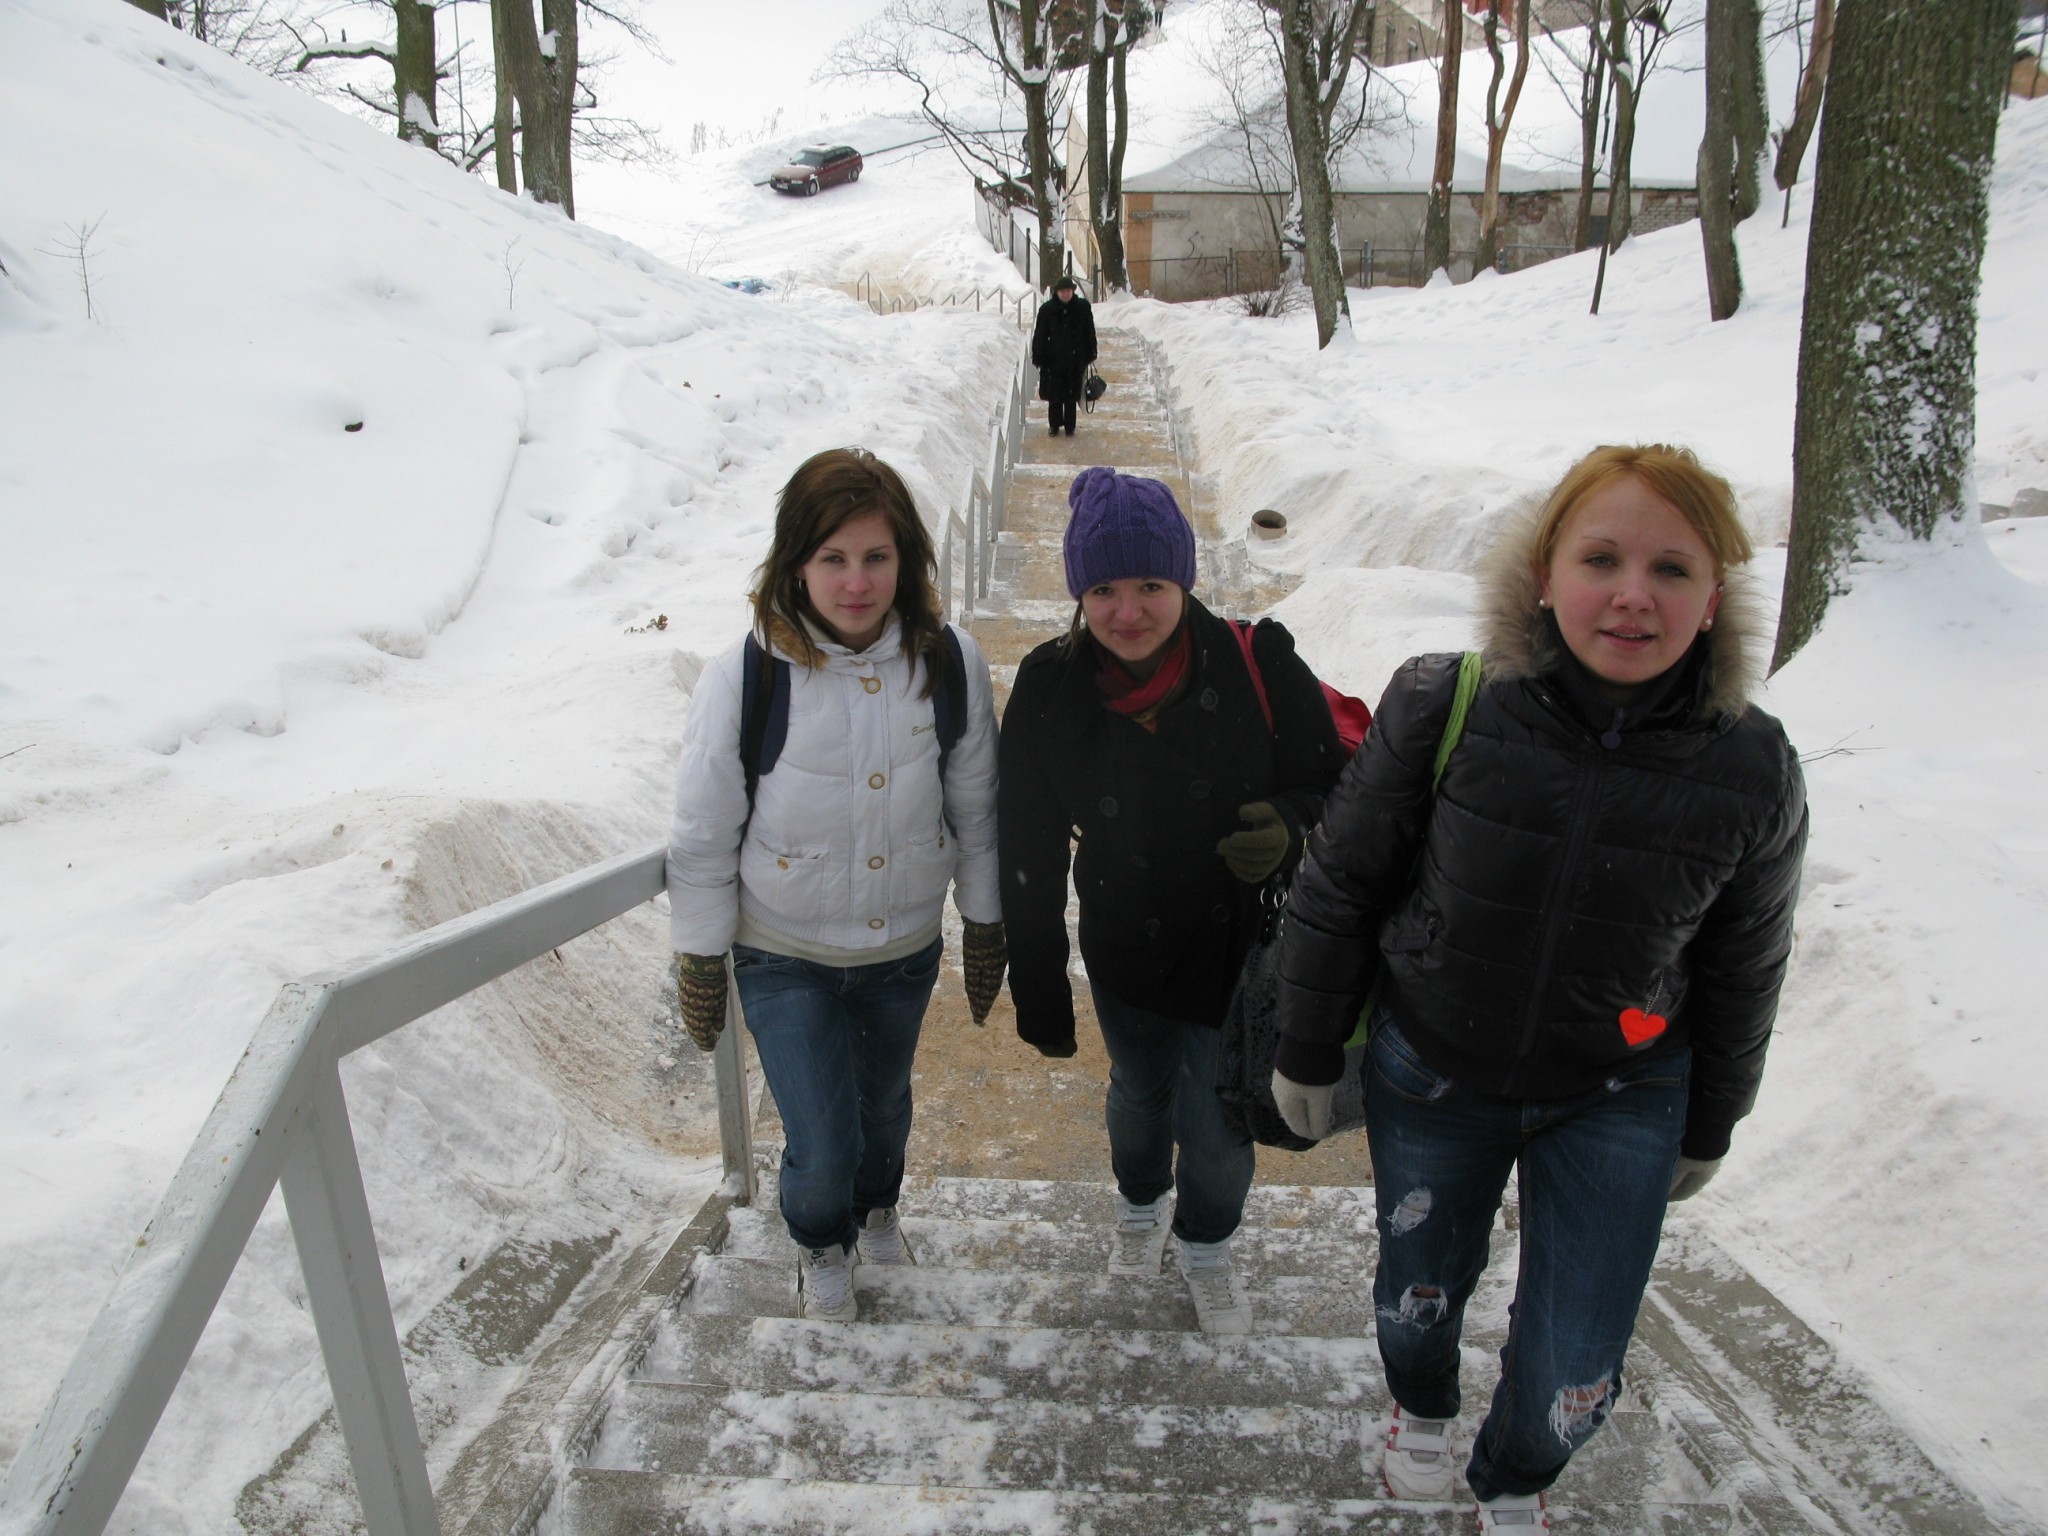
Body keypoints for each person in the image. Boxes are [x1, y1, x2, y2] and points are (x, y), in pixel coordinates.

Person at [1270, 444, 1807, 1531]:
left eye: (1670, 570)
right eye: (1598, 557)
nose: (1629, 594)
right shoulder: (1446, 702)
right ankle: (1419, 1409)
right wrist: (1305, 1043)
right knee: (1415, 1294)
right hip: (1435, 1069)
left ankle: (1517, 1470)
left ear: (1710, 603)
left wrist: (1712, 1118)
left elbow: (1745, 958)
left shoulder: (1749, 765)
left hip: (1619, 1089)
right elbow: (1342, 879)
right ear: (1544, 575)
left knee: (1577, 1352)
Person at [998, 466, 1344, 1333]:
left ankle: (1207, 1244)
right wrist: (1038, 985)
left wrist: (1291, 826)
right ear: (1079, 592)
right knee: (1139, 1092)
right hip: (1121, 945)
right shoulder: (1049, 685)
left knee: (1219, 1122)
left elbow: (1343, 789)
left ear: (1183, 580)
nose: (1128, 612)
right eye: (1105, 589)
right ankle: (1141, 1203)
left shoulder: (1259, 660)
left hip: (1237, 954)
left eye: (1151, 584)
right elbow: (1027, 841)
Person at [667, 447, 1008, 1324]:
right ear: (795, 564)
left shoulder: (950, 663)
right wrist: (702, 957)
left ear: (907, 563)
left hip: (901, 948)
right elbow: (704, 834)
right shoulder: (745, 674)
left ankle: (877, 1206)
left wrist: (985, 922)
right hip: (785, 952)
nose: (856, 583)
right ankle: (822, 1242)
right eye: (832, 559)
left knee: (884, 1110)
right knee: (821, 1140)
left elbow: (976, 809)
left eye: (876, 558)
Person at [1030, 275, 1097, 438]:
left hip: (1075, 360)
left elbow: (1089, 332)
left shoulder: (1082, 308)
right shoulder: (1047, 310)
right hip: (1052, 360)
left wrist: (1091, 352)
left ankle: (1069, 426)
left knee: (1071, 395)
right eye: (1062, 291)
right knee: (1054, 396)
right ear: (1057, 292)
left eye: (1068, 291)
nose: (1065, 294)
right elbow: (1039, 335)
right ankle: (1054, 425)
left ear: (1073, 292)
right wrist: (1038, 355)